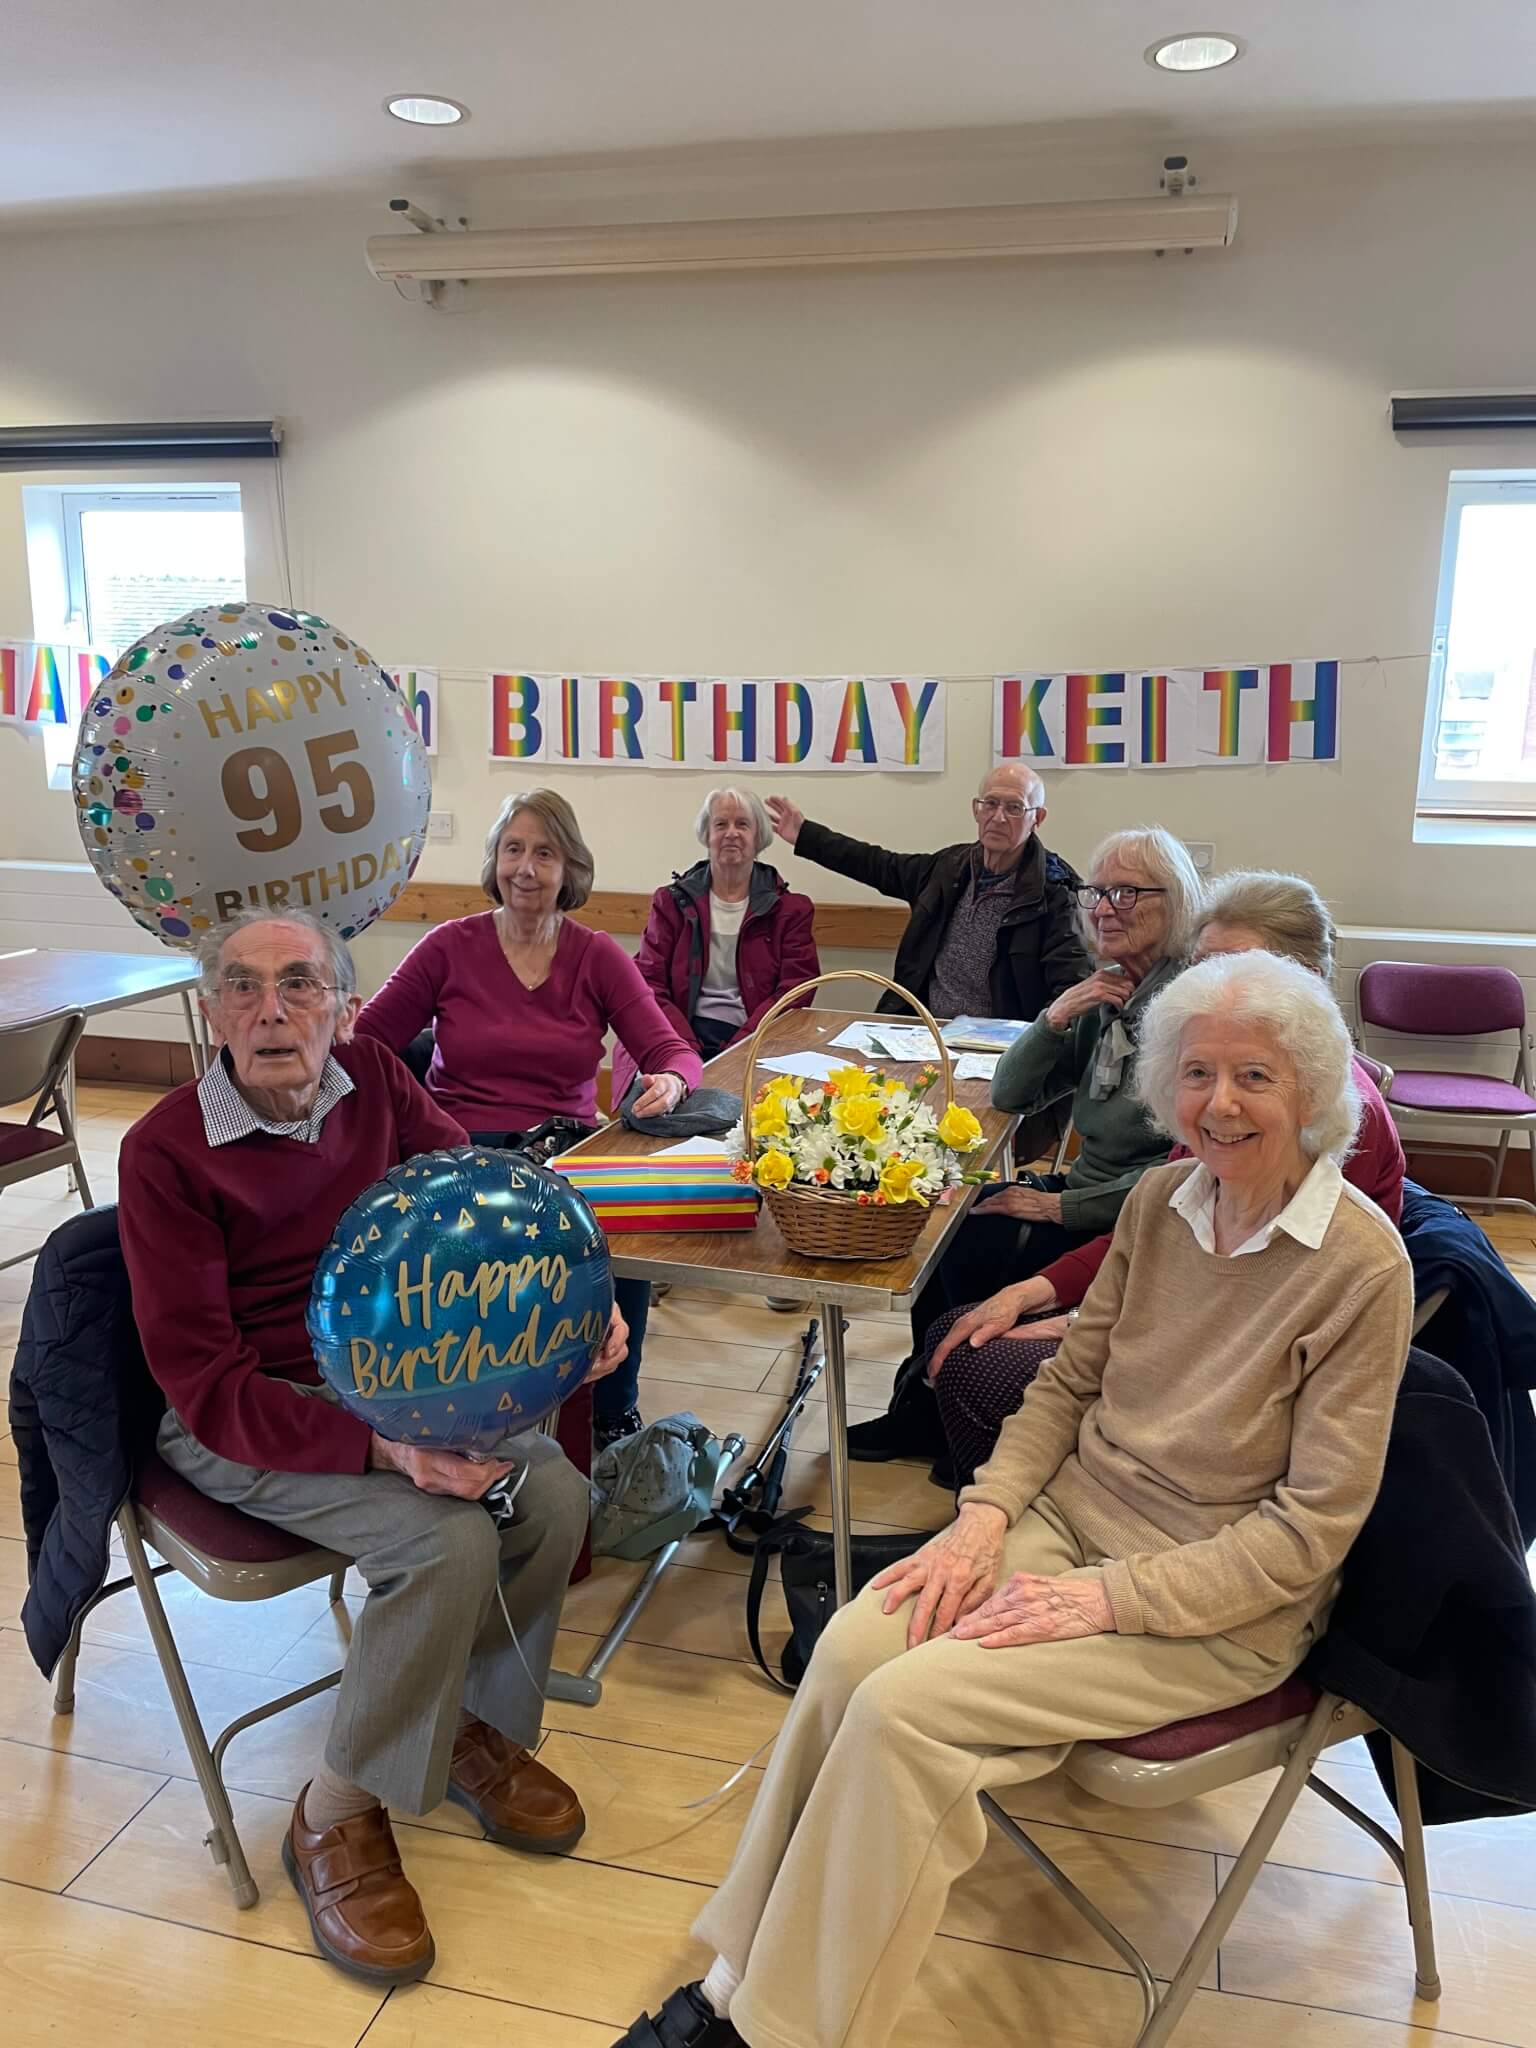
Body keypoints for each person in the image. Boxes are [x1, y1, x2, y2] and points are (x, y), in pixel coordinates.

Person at [618, 949, 1411, 2048]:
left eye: (1256, 1076)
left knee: (907, 1712)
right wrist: (984, 1515)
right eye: (1196, 1072)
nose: (1219, 1104)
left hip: (1213, 1604)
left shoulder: (1361, 1266)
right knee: (852, 1645)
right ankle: (732, 1978)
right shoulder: (1156, 1200)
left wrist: (1106, 1598)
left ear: (1315, 1090)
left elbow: (1306, 1532)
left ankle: (779, 2033)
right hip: (1068, 1524)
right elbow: (1071, 1382)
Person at [118, 911, 629, 1989]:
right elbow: (205, 1387)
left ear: (346, 1008)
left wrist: (573, 1314)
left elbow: (489, 1217)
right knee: (444, 1542)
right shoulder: (162, 1149)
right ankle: (334, 1809)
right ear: (210, 1010)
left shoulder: (376, 1085)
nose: (271, 1010)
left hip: (390, 1380)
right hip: (242, 1412)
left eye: (300, 984)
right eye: (244, 988)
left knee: (551, 1497)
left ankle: (459, 1729)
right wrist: (387, 1452)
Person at [927, 869, 1410, 1484]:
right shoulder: (1213, 1090)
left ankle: (1038, 1511)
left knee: (979, 1360)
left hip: (1243, 1357)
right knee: (969, 1323)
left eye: (1240, 970)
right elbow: (1158, 1227)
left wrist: (1080, 1326)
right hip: (1189, 1314)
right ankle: (996, 1510)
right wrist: (1039, 1292)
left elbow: (1252, 1297)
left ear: (1305, 984)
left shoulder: (1331, 1118)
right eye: (1202, 969)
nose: (1213, 990)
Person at [355, 789, 703, 1448]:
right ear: (493, 861)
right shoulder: (446, 947)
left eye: (545, 852)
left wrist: (671, 1082)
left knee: (617, 1230)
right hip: (457, 1149)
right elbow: (367, 1043)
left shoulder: (596, 955)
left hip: (560, 1151)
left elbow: (675, 1053)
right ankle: (457, 1403)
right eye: (513, 849)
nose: (526, 867)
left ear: (570, 869)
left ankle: (609, 1410)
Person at [847, 825, 1200, 1468]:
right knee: (956, 1211)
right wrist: (1056, 1014)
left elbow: (1183, 1179)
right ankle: (930, 1408)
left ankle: (953, 1417)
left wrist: (1059, 1208)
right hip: (1087, 1191)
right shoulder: (1110, 991)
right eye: (1096, 892)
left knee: (977, 1237)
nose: (1104, 908)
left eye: (1126, 892)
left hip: (1134, 1219)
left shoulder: (1185, 1013)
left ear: (1174, 902)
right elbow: (1010, 1092)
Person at [763, 763, 1085, 1023]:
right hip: (921, 1031)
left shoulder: (1056, 893)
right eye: (991, 804)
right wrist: (805, 835)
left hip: (1000, 1046)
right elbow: (876, 863)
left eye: (1014, 808)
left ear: (1037, 818)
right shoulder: (948, 868)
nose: (998, 817)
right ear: (976, 809)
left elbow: (1071, 985)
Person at [610, 786, 820, 1106]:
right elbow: (649, 983)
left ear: (758, 837)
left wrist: (740, 1049)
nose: (731, 833)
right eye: (721, 824)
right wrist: (684, 1051)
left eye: (742, 824)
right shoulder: (670, 903)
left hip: (755, 1037)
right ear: (706, 835)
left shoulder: (791, 910)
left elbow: (795, 991)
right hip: (680, 1033)